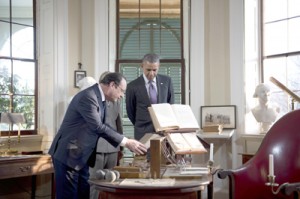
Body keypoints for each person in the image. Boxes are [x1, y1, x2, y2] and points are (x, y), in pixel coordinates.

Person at [48, 72, 147, 199]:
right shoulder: (88, 96)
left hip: (82, 156)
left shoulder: (100, 98)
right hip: (69, 155)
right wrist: (126, 142)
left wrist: (126, 141)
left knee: (84, 194)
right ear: (112, 85)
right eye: (122, 91)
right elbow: (98, 127)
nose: (122, 96)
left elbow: (104, 127)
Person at [89, 72, 124, 199]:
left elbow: (119, 124)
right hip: (97, 148)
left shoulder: (117, 101)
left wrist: (121, 147)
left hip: (113, 149)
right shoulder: (93, 99)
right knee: (95, 182)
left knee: (112, 183)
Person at [126, 53, 175, 141]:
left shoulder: (167, 81)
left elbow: (170, 105)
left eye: (154, 70)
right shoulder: (132, 86)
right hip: (142, 131)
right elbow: (130, 111)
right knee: (144, 155)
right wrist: (140, 124)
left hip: (163, 131)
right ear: (142, 66)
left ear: (159, 66)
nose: (151, 73)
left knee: (163, 155)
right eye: (148, 70)